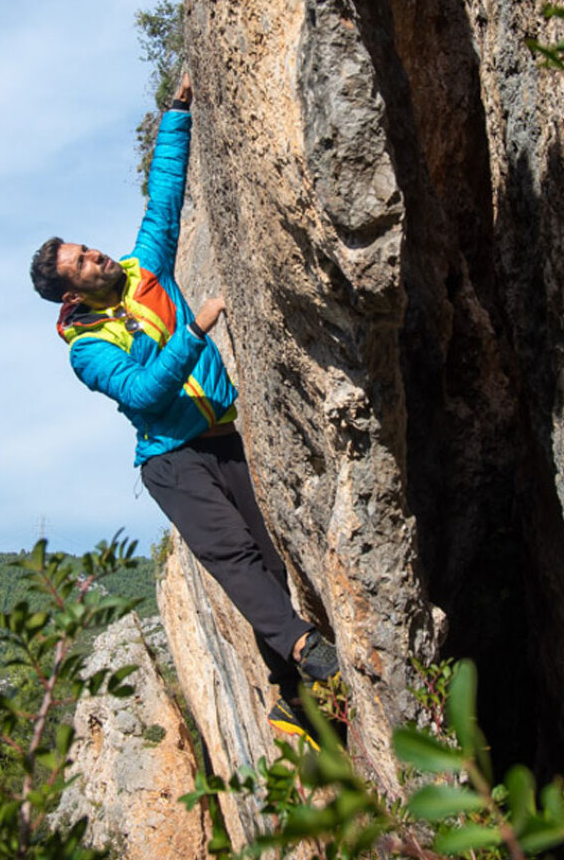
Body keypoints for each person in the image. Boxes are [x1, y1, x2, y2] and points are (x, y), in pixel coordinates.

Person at [29, 70, 337, 742]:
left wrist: (178, 108)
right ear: (69, 293)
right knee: (234, 557)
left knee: (272, 558)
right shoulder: (86, 347)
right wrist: (194, 330)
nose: (96, 253)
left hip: (222, 436)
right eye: (81, 260)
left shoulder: (146, 270)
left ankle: (291, 703)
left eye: (87, 246)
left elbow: (164, 199)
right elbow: (143, 393)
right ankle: (308, 654)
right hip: (171, 460)